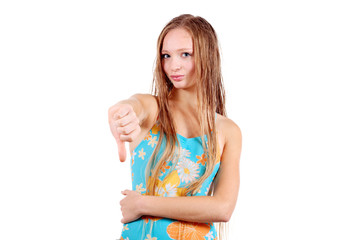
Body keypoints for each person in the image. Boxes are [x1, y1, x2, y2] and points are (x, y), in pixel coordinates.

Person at [108, 14, 242, 240]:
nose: (173, 65)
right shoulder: (153, 109)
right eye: (166, 56)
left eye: (185, 54)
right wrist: (121, 114)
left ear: (208, 56)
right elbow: (133, 105)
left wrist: (142, 204)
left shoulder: (228, 130)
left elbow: (222, 208)